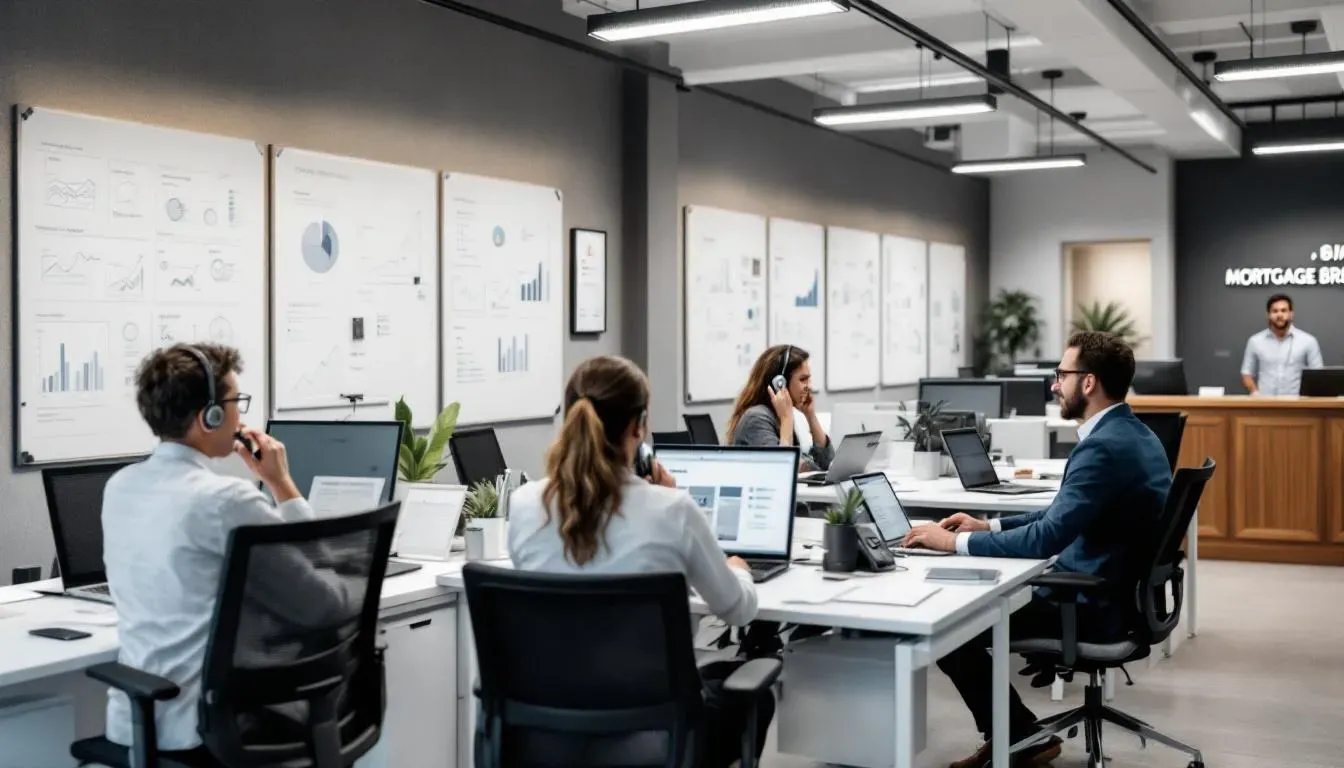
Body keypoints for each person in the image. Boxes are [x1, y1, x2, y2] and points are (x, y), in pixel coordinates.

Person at [902, 331, 1171, 768]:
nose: (1054, 384)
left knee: (949, 625)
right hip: (1120, 593)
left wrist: (955, 542)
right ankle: (1018, 735)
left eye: (1061, 374)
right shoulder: (1136, 435)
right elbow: (1060, 516)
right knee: (964, 612)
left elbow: (1046, 539)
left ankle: (1016, 736)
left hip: (1090, 601)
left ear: (1088, 383)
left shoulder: (1102, 447)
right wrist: (989, 524)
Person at [509, 355, 772, 767]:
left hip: (546, 730)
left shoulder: (525, 505)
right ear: (639, 426)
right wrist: (735, 568)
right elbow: (737, 610)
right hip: (656, 735)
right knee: (750, 691)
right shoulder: (672, 510)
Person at [102, 343, 351, 757]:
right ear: (210, 417)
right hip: (213, 728)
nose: (241, 415)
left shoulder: (120, 486)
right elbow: (323, 603)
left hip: (138, 720)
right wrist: (282, 484)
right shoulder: (225, 500)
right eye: (236, 402)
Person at [726, 344, 832, 474]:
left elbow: (827, 463)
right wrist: (786, 419)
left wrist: (810, 416)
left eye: (809, 379)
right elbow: (782, 469)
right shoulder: (756, 418)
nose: (809, 386)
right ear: (780, 383)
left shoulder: (779, 415)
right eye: (803, 379)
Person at [1240, 293, 1323, 396]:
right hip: (1265, 405)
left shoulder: (1309, 341)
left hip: (1298, 406)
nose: (1279, 315)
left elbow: (1318, 374)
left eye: (1284, 310)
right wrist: (1255, 393)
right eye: (1275, 311)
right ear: (1268, 315)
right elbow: (1246, 372)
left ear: (1291, 314)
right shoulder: (1255, 341)